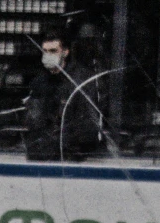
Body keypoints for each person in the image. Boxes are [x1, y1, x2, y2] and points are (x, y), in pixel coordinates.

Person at [23, 29, 104, 162]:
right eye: (45, 51)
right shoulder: (39, 82)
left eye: (53, 51)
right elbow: (33, 122)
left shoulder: (80, 81)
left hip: (69, 158)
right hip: (39, 157)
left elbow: (87, 127)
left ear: (65, 52)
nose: (48, 55)